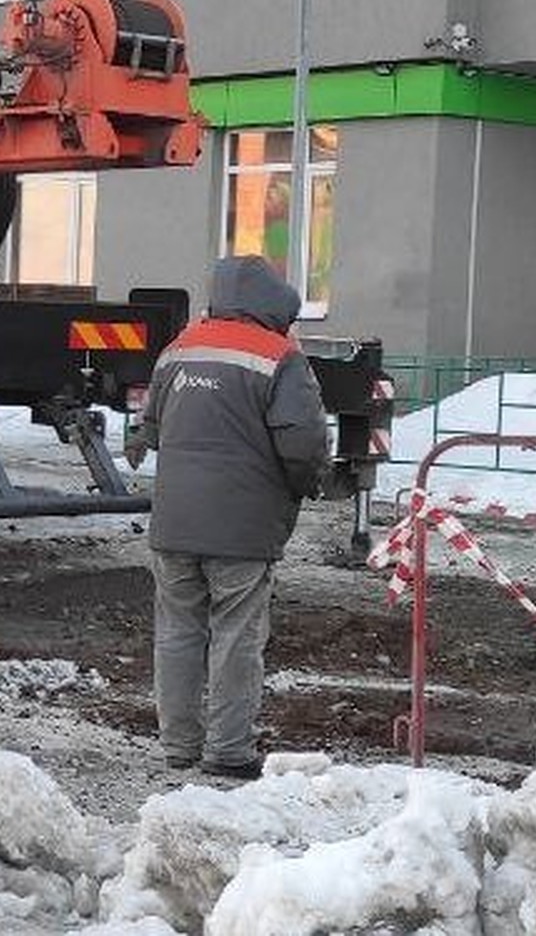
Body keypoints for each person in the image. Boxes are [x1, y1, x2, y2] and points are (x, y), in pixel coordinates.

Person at [127, 254, 329, 779]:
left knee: (176, 634)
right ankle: (228, 752)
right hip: (242, 530)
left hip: (173, 525)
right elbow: (303, 445)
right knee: (236, 638)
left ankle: (179, 747)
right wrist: (307, 486)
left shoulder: (179, 349)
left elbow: (150, 429)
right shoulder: (280, 356)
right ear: (275, 305)